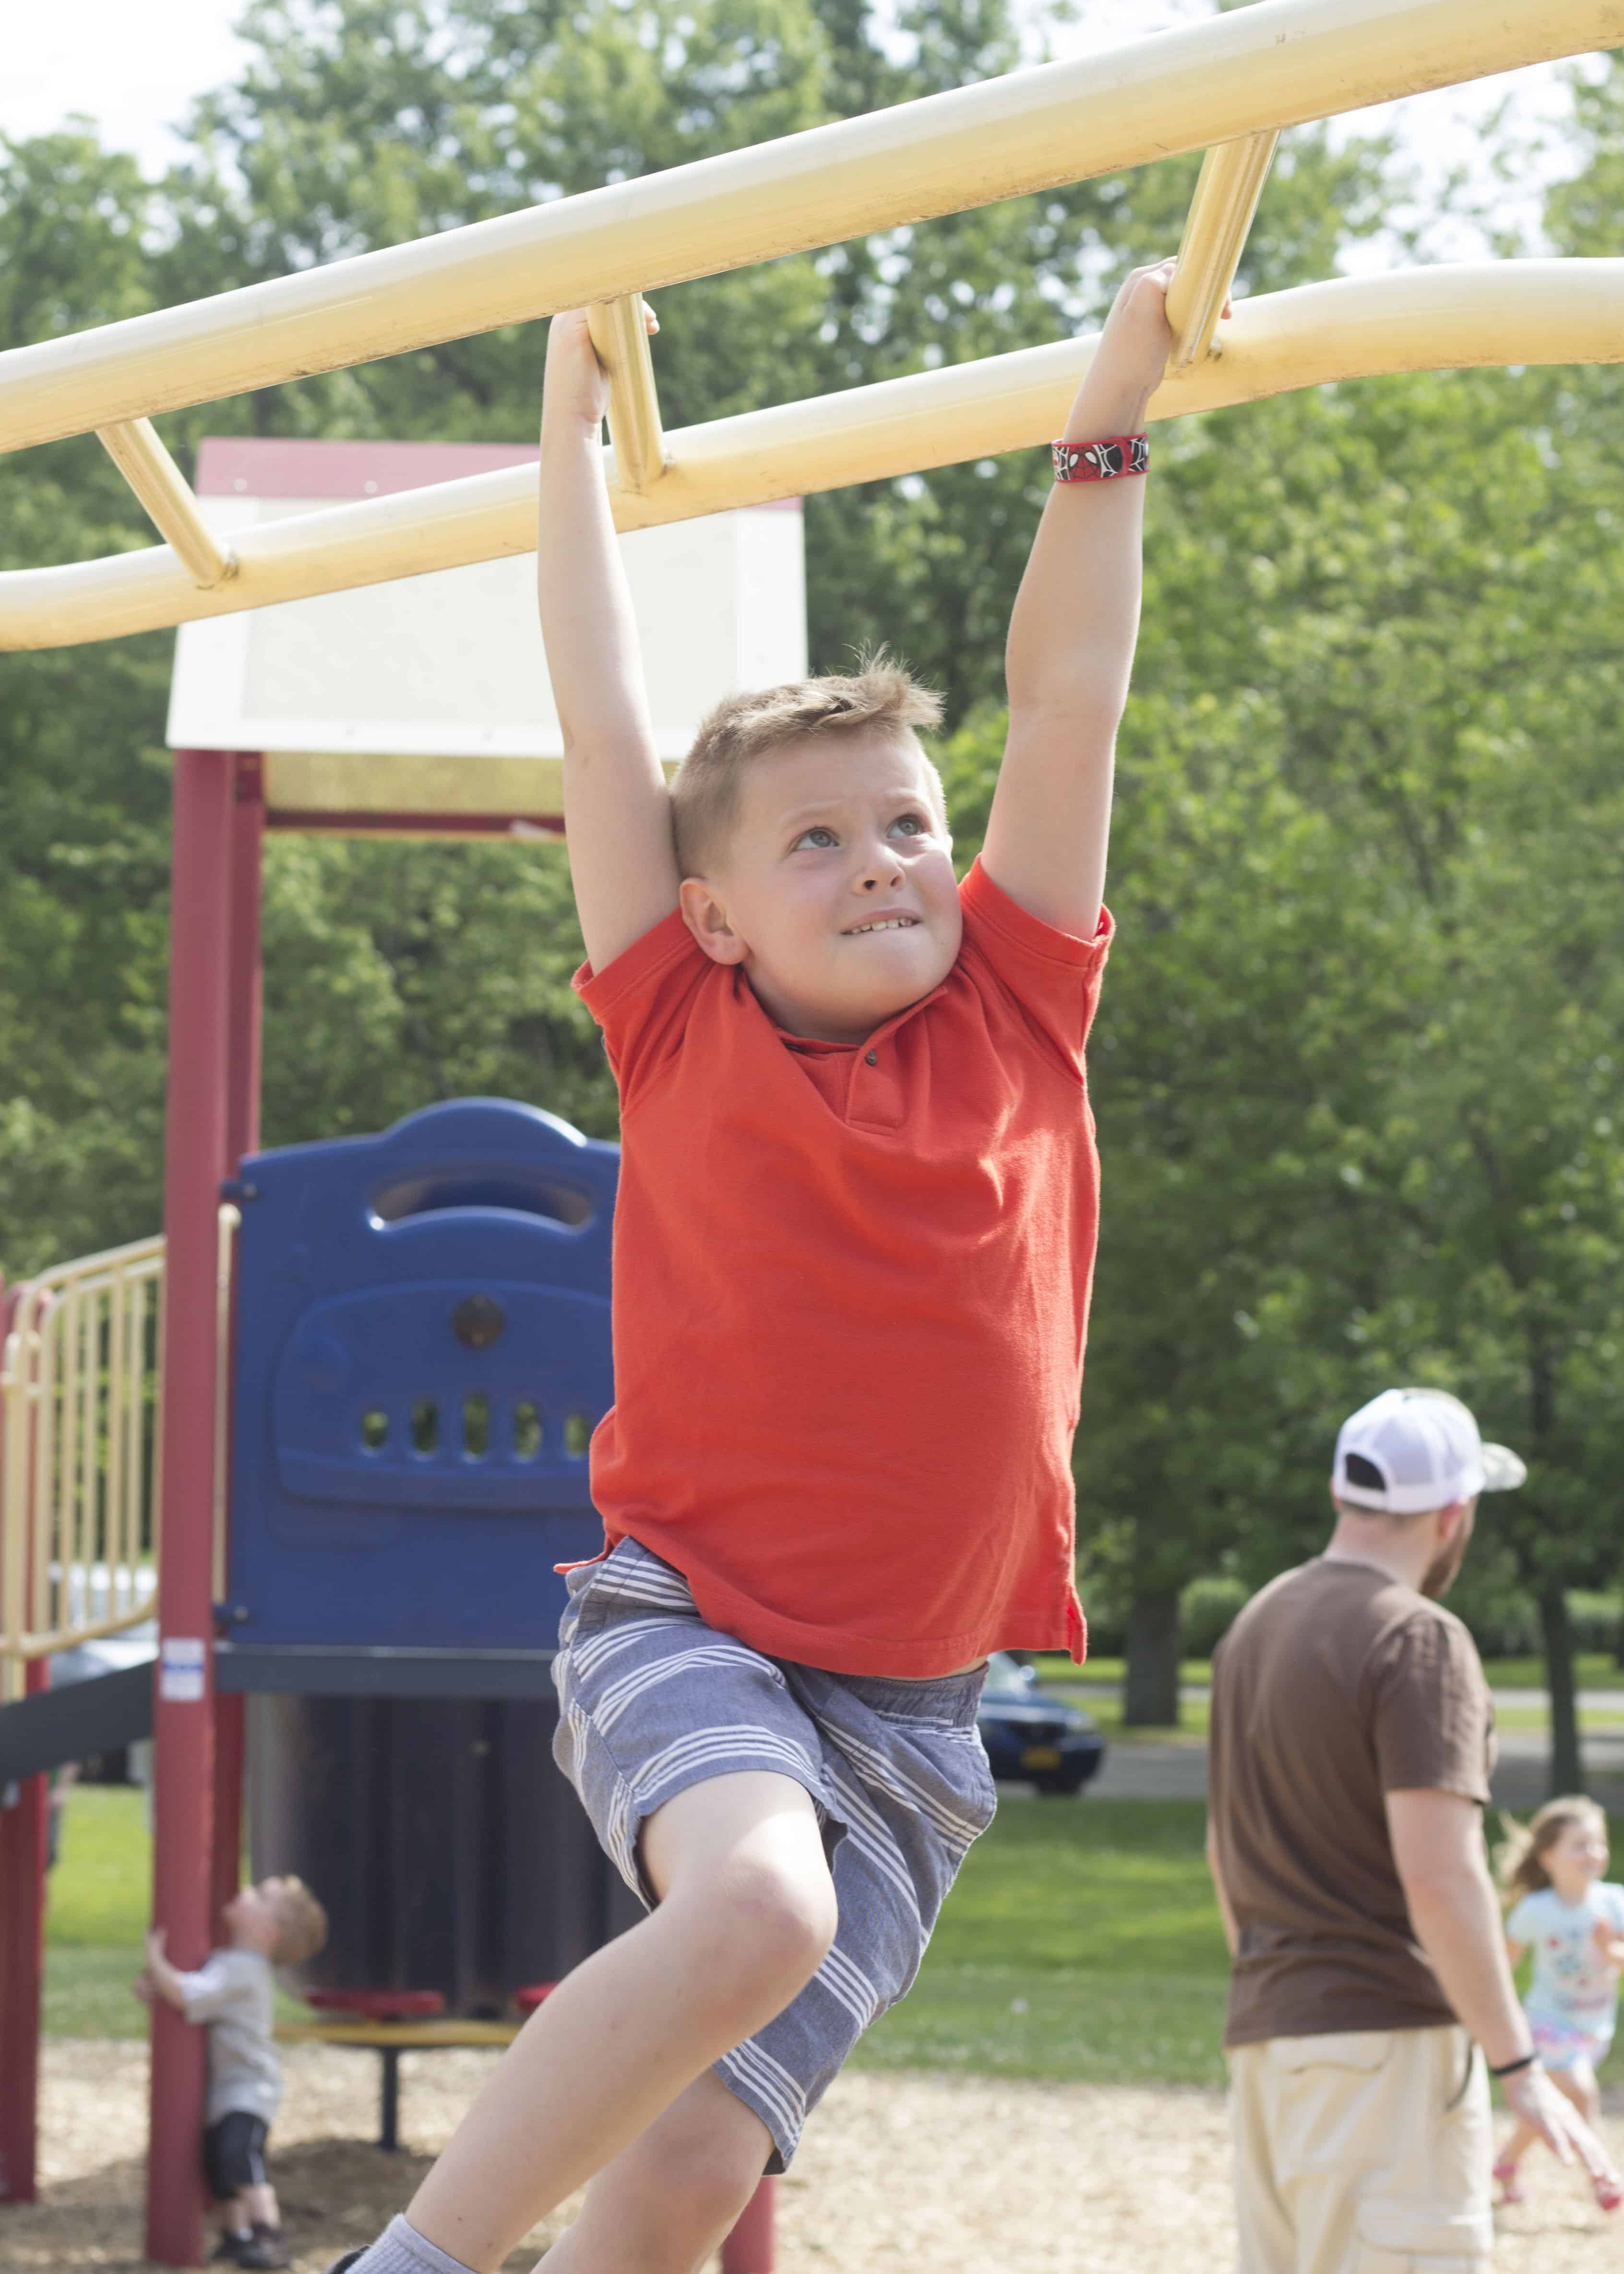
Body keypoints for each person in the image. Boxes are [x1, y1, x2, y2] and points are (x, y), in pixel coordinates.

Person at [325, 261, 1181, 2274]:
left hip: (916, 1711)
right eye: (815, 842)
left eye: (902, 822)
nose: (883, 857)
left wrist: (1111, 400)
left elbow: (1071, 692)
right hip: (691, 1625)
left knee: (702, 2172)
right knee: (756, 1911)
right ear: (704, 915)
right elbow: (598, 705)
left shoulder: (1015, 1012)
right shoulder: (681, 1027)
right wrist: (570, 434)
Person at [1206, 1385, 1620, 2273]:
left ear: (1338, 1495)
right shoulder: (1418, 1639)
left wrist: (1284, 1987)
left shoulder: (1252, 1626)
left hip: (1266, 2042)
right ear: (1451, 1513)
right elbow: (1441, 1876)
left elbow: (1221, 1850)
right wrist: (1518, 2069)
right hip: (1387, 2050)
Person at [137, 1875, 330, 2269]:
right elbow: (195, 1995)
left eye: (259, 1895)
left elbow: (189, 1994)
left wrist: (156, 1958)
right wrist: (158, 1986)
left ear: (267, 1932)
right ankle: (236, 2235)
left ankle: (268, 2233)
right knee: (217, 2163)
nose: (244, 1890)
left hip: (249, 2089)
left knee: (239, 2157)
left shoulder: (243, 1968)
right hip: (230, 2087)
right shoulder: (233, 1964)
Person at [1492, 1794, 1624, 2209]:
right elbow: (1504, 1965)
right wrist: (1499, 2016)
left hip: (1595, 2025)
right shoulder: (1536, 1909)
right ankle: (1602, 2173)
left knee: (1550, 2104)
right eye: (1580, 1844)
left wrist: (1611, 1951)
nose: (1594, 1852)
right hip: (1547, 2022)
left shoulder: (1614, 1902)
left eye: (1598, 1843)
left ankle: (1506, 2164)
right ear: (1548, 1856)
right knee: (1581, 2091)